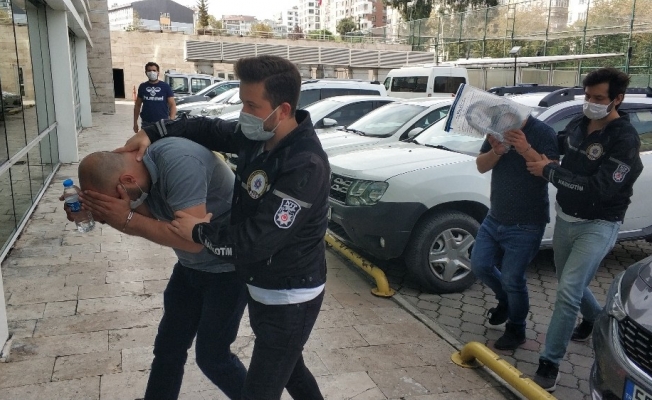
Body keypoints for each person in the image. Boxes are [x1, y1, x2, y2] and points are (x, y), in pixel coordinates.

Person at [118, 55, 330, 400]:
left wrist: (198, 232)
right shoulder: (258, 136)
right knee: (292, 370)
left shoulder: (305, 165)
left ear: (283, 110)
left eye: (252, 105)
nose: (243, 112)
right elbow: (205, 128)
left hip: (291, 296)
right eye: (242, 101)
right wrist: (152, 132)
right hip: (260, 284)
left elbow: (257, 240)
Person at [75, 137, 248, 400]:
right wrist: (90, 213)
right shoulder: (136, 176)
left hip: (228, 269)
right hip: (190, 268)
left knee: (213, 357)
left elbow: (192, 242)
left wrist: (125, 219)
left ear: (127, 181)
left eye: (114, 198)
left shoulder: (180, 164)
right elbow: (143, 217)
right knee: (168, 347)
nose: (119, 204)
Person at [526, 67, 643, 392]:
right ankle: (595, 318)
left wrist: (550, 171)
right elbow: (558, 144)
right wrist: (522, 134)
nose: (591, 103)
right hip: (566, 218)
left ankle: (549, 363)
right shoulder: (580, 123)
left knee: (567, 291)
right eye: (588, 96)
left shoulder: (624, 139)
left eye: (599, 98)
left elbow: (599, 189)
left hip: (599, 224)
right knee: (569, 282)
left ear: (617, 99)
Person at [472, 111, 559, 351]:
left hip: (527, 223)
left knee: (513, 279)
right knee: (480, 265)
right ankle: (506, 301)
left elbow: (551, 173)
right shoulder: (499, 128)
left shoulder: (543, 132)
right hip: (495, 216)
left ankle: (516, 328)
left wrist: (525, 148)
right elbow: (481, 166)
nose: (506, 120)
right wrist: (497, 151)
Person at [134, 62, 176, 133]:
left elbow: (172, 105)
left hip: (162, 123)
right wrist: (135, 122)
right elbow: (137, 105)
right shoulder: (143, 87)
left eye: (154, 70)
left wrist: (171, 120)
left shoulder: (165, 86)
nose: (152, 72)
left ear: (158, 72)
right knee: (145, 140)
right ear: (146, 72)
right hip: (146, 123)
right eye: (149, 70)